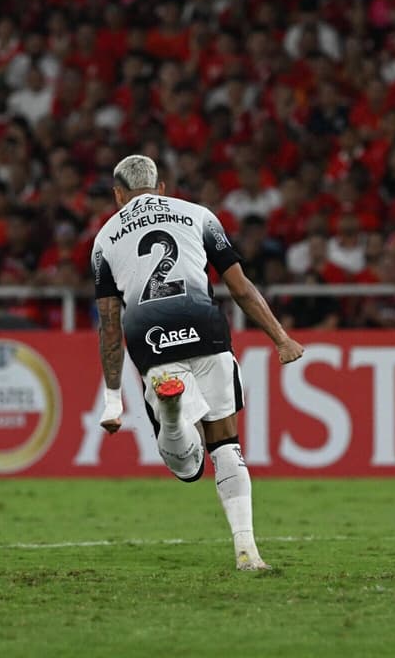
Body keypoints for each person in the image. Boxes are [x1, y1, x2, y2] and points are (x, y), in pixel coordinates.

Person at [92, 155, 304, 572]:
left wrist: (112, 398)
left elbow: (110, 325)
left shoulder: (104, 239)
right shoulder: (199, 215)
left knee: (187, 469)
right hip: (204, 329)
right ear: (162, 188)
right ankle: (248, 552)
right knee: (226, 447)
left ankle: (171, 417)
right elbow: (240, 288)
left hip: (152, 339)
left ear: (118, 195)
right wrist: (281, 337)